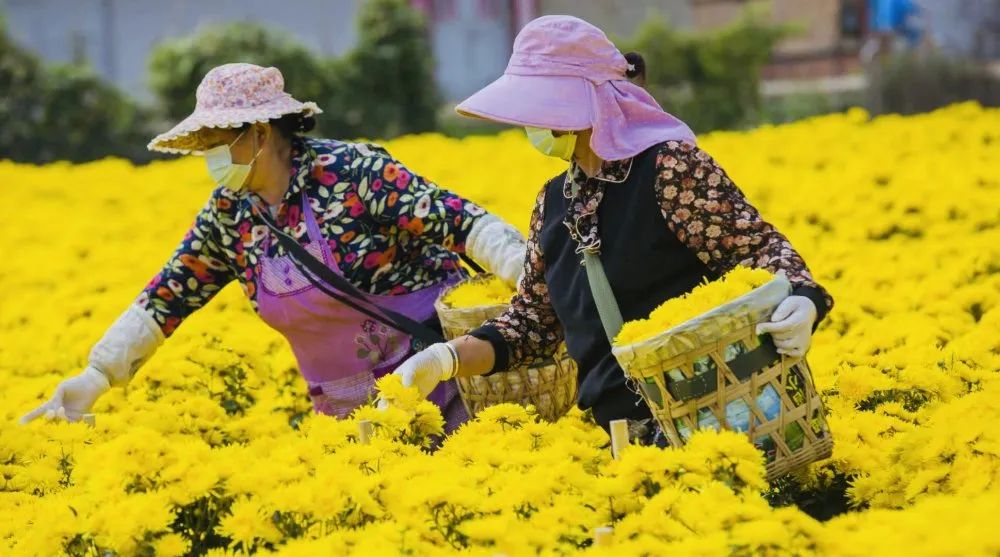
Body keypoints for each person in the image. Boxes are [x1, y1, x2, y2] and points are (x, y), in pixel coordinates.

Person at [385, 16, 835, 436]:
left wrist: (803, 298)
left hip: (722, 418)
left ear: (582, 104)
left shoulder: (668, 168)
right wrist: (444, 360)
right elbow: (533, 327)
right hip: (620, 437)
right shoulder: (553, 202)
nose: (530, 122)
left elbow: (757, 250)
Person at [20, 63, 526, 431]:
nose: (208, 157)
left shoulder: (352, 173)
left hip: (442, 388)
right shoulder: (229, 213)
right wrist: (97, 373)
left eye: (214, 141)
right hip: (345, 417)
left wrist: (532, 283)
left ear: (258, 133)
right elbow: (170, 293)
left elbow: (463, 223)